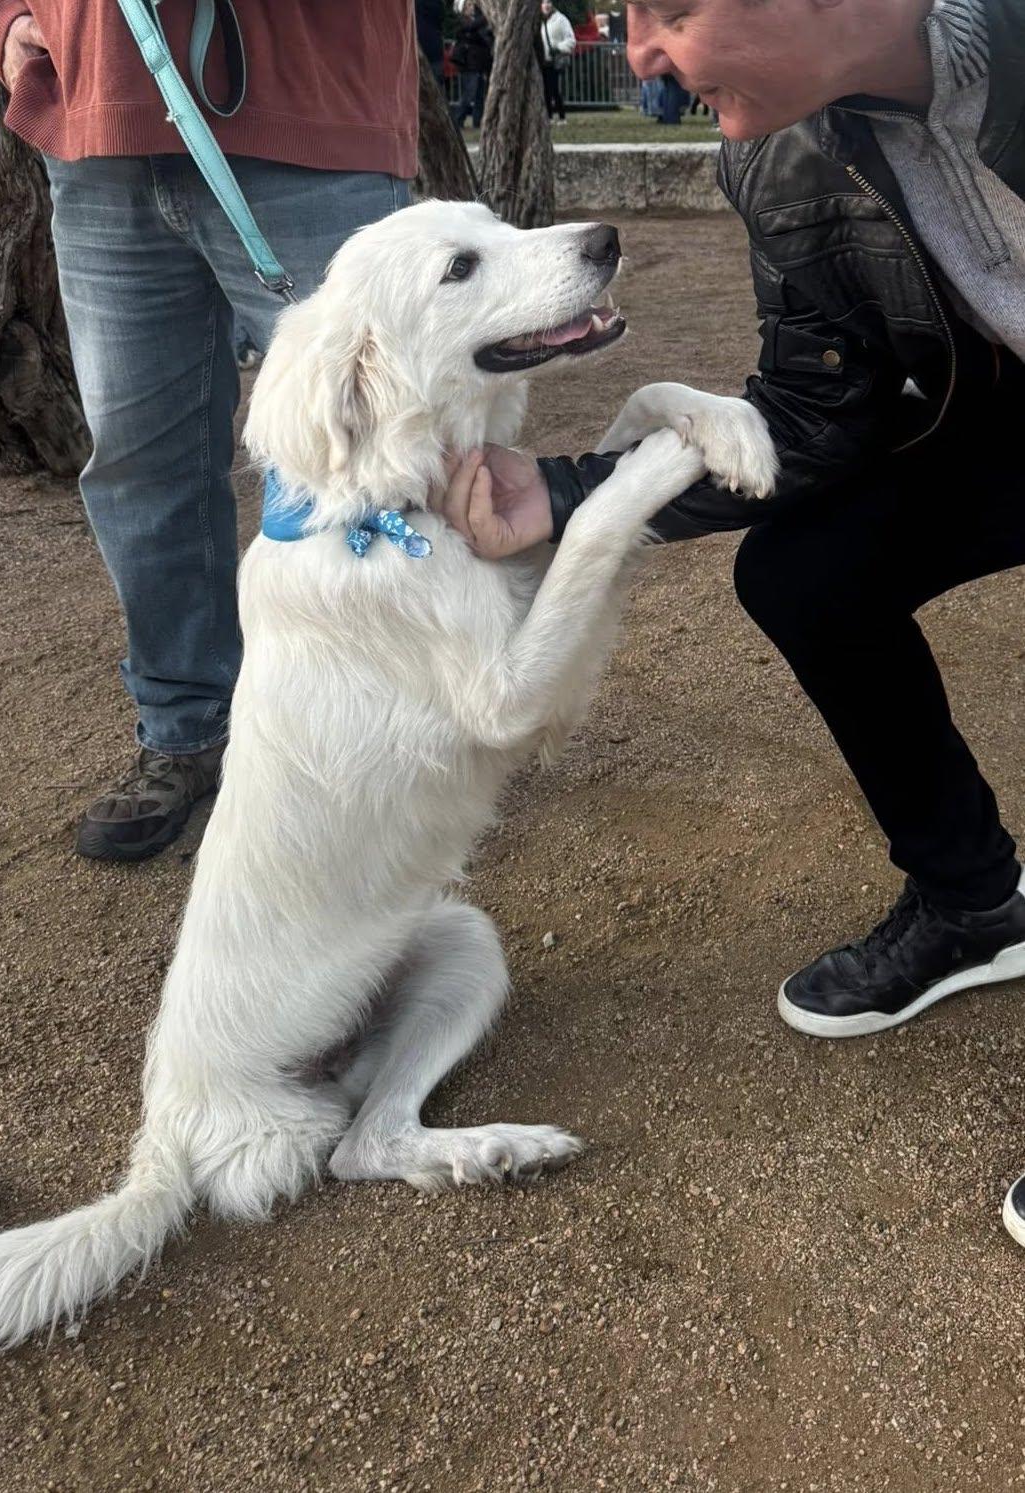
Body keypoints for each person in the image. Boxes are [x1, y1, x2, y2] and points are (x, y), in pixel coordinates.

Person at [439, 0, 1025, 1246]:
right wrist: (560, 490)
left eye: (664, 11)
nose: (636, 53)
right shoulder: (772, 149)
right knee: (805, 572)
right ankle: (974, 903)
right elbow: (814, 410)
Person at [0, 1, 417, 862]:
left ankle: (389, 735)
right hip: (98, 143)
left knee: (368, 456)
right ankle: (187, 729)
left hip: (311, 123)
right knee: (138, 464)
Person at [449, 0, 493, 133]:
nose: (471, 8)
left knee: (480, 93)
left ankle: (477, 121)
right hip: (469, 63)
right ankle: (458, 119)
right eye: (467, 5)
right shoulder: (463, 22)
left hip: (480, 62)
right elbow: (470, 29)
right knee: (470, 92)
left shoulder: (477, 22)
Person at [539, 0, 576, 125]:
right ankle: (548, 116)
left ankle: (561, 116)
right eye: (544, 3)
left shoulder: (561, 20)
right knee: (544, 90)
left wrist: (558, 48)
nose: (546, 5)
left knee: (554, 89)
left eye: (549, 2)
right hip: (542, 60)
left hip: (554, 60)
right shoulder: (538, 20)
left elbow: (571, 40)